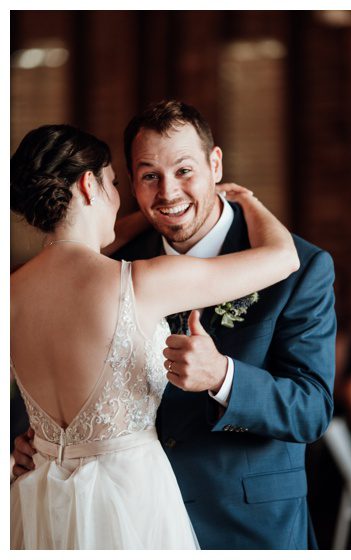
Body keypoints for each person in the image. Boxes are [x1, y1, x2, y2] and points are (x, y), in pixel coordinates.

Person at [9, 118, 308, 549]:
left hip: (41, 496)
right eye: (115, 184)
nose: (120, 202)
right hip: (131, 498)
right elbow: (282, 258)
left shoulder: (15, 289)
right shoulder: (140, 282)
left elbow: (79, 247)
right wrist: (248, 202)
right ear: (90, 185)